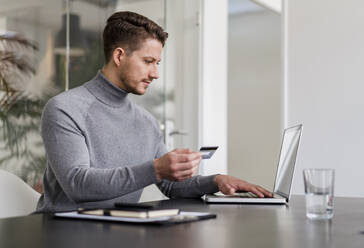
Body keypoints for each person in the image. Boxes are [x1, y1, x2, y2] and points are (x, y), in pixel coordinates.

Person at [36, 11, 272, 212]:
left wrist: (217, 180)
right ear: (119, 56)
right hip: (63, 232)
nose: (155, 73)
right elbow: (78, 185)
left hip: (119, 231)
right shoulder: (64, 108)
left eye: (157, 63)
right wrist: (157, 168)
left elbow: (171, 186)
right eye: (148, 61)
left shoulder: (145, 121)